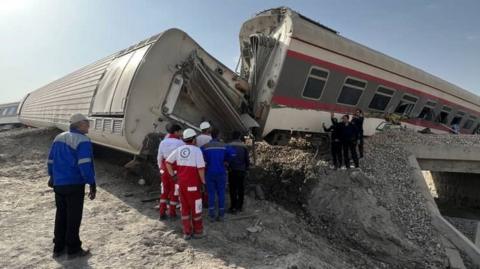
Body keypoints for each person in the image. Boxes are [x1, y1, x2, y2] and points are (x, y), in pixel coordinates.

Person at [47, 113, 96, 259]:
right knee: (74, 217)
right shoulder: (83, 140)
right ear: (79, 125)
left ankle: (58, 248)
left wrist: (52, 176)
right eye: (86, 123)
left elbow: (51, 160)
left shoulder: (59, 137)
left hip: (59, 183)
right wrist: (91, 183)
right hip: (74, 183)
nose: (88, 125)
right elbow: (85, 164)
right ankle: (73, 249)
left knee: (61, 215)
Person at [165, 128, 206, 240]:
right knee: (196, 209)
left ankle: (186, 232)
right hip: (193, 185)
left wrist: (173, 175)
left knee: (185, 209)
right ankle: (198, 232)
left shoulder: (179, 150)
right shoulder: (197, 151)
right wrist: (203, 182)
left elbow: (168, 162)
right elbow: (201, 169)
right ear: (193, 139)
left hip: (181, 185)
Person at [201, 128, 235, 221]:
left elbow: (199, 155)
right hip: (221, 172)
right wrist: (226, 161)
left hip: (209, 172)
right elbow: (233, 154)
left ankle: (211, 215)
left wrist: (206, 161)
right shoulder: (224, 145)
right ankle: (221, 215)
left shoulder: (205, 146)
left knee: (211, 193)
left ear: (211, 135)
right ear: (219, 135)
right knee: (221, 193)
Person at [157, 123, 185, 220]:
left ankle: (162, 212)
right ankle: (172, 213)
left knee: (164, 190)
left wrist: (161, 168)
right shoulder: (181, 143)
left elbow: (159, 157)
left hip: (164, 168)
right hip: (175, 169)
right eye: (180, 131)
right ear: (176, 132)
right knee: (174, 191)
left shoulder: (163, 142)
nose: (181, 133)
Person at [227, 131, 250, 213]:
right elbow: (247, 160)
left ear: (232, 137)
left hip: (232, 170)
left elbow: (227, 158)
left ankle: (233, 207)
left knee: (232, 189)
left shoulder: (229, 146)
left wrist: (228, 167)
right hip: (241, 171)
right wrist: (247, 168)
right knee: (241, 188)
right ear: (239, 137)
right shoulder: (244, 146)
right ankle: (239, 207)